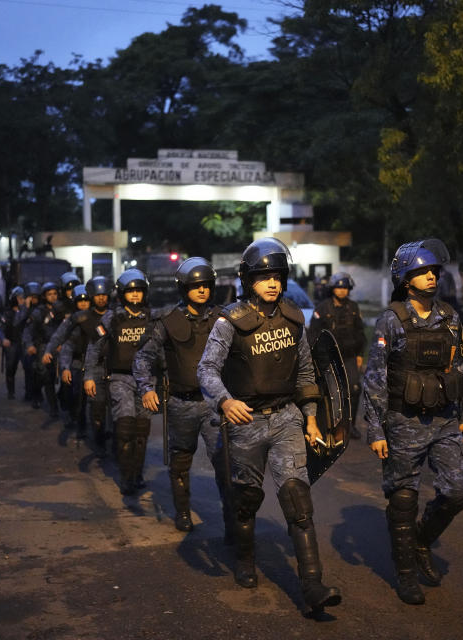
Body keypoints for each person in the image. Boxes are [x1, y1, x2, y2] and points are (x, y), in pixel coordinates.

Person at [197, 237, 341, 614]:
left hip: (287, 418)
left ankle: (312, 586)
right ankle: (245, 560)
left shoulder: (294, 318)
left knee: (298, 500)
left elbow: (307, 370)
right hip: (245, 423)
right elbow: (207, 369)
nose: (273, 283)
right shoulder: (229, 322)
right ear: (249, 281)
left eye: (277, 276)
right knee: (245, 501)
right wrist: (225, 400)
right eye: (264, 277)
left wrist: (311, 417)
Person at [361, 237, 463, 605]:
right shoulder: (390, 321)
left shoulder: (450, 317)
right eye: (422, 271)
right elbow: (375, 379)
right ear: (405, 278)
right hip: (403, 422)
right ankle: (405, 571)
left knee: (458, 490)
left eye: (434, 271)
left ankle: (422, 540)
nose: (430, 277)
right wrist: (375, 430)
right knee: (403, 496)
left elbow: (460, 368)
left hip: (443, 420)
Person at [133, 257, 230, 534]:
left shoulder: (223, 319)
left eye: (206, 285)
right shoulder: (167, 320)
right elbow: (143, 357)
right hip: (180, 403)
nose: (202, 290)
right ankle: (183, 512)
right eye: (195, 285)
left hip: (216, 405)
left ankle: (232, 520)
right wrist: (147, 387)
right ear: (184, 287)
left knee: (225, 465)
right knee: (180, 462)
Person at [85, 269, 153, 494]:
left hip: (146, 382)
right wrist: (89, 377)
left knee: (141, 433)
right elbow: (94, 347)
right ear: (123, 293)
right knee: (125, 429)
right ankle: (126, 476)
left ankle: (137, 474)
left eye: (139, 291)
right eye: (131, 291)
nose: (135, 295)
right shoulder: (111, 317)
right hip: (119, 379)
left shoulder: (151, 317)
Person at [308, 271, 366, 437]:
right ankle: (331, 425)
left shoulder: (353, 308)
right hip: (329, 359)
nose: (342, 291)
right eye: (339, 288)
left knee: (354, 389)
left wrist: (360, 354)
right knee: (331, 392)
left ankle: (351, 425)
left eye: (346, 288)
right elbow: (313, 335)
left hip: (349, 357)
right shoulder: (322, 308)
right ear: (332, 289)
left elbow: (360, 332)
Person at [43, 284, 92, 436]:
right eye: (80, 301)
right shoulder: (71, 320)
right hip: (76, 362)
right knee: (76, 396)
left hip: (96, 364)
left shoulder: (99, 317)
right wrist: (47, 351)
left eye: (86, 300)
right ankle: (78, 422)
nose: (83, 304)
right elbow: (59, 338)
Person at [24, 281, 64, 417]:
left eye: (55, 294)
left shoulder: (63, 309)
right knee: (46, 377)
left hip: (61, 347)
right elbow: (28, 330)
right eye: (49, 294)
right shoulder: (38, 312)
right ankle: (52, 407)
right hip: (44, 346)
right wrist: (29, 344)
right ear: (44, 296)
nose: (53, 297)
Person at [0, 286, 26, 399]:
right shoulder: (8, 313)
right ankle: (11, 392)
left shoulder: (26, 311)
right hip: (12, 344)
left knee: (29, 368)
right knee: (11, 368)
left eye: (23, 298)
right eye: (19, 298)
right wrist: (3, 339)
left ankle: (29, 393)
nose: (22, 300)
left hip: (23, 344)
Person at [18, 282, 41, 402]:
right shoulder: (23, 309)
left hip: (39, 342)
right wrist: (26, 307)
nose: (34, 299)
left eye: (36, 297)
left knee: (39, 371)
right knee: (29, 370)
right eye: (31, 297)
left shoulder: (41, 308)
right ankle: (29, 393)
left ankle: (37, 394)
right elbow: (19, 322)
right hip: (26, 343)